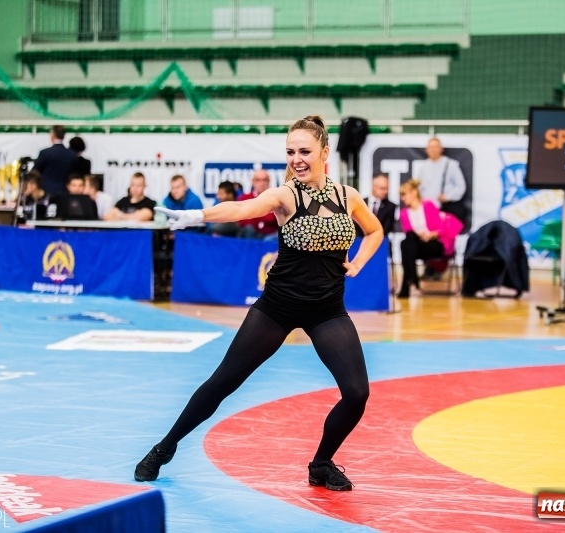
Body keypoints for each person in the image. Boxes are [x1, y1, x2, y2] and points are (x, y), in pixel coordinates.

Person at [135, 115, 383, 491]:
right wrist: (196, 215)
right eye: (290, 152)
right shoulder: (285, 195)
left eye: (305, 151)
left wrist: (360, 261)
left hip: (327, 310)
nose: (297, 158)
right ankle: (164, 447)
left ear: (325, 152)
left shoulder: (349, 197)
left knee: (357, 394)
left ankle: (321, 463)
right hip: (277, 307)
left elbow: (375, 229)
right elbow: (241, 209)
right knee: (223, 382)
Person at [397, 179, 463, 298]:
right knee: (407, 240)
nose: (402, 198)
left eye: (404, 194)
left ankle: (409, 282)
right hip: (418, 244)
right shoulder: (404, 213)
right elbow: (409, 233)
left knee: (406, 244)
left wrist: (431, 235)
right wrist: (420, 236)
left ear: (414, 192)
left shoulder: (428, 205)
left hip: (435, 243)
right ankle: (412, 277)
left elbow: (441, 228)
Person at [416, 137, 467, 222]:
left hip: (446, 209)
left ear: (441, 149)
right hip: (428, 211)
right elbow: (419, 188)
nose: (433, 150)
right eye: (431, 147)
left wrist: (447, 197)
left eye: (436, 147)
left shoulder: (450, 164)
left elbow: (461, 186)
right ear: (427, 149)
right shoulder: (424, 167)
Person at [32, 125, 78, 197]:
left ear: (52, 136)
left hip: (46, 190)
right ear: (63, 136)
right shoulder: (72, 155)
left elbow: (35, 171)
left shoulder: (45, 153)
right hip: (65, 191)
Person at [238, 169, 279, 239]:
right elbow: (240, 220)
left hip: (268, 235)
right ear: (253, 182)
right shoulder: (244, 198)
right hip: (250, 234)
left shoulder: (276, 199)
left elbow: (277, 221)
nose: (261, 183)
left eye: (264, 180)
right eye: (258, 180)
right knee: (249, 229)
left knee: (272, 238)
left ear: (269, 182)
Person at [356, 173, 397, 237]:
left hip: (380, 242)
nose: (385, 191)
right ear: (374, 187)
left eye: (387, 189)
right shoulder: (360, 202)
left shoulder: (390, 206)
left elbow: (387, 228)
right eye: (382, 188)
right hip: (359, 241)